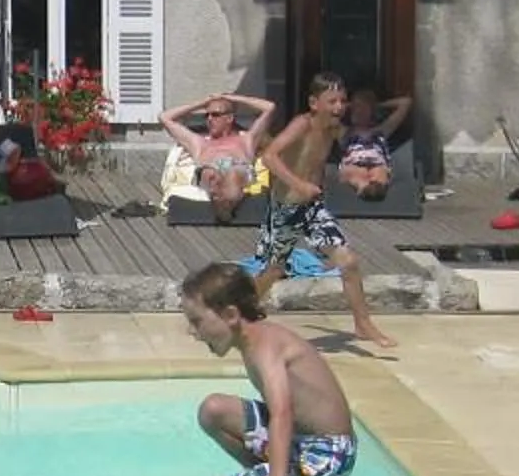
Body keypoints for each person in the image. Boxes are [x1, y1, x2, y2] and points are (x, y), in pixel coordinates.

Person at [179, 261, 361, 476]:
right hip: (303, 441)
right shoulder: (254, 339)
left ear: (229, 315)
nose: (192, 333)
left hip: (326, 456)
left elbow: (282, 413)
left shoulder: (265, 347)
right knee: (213, 410)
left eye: (196, 322)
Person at [251, 72, 397, 350]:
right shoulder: (301, 125)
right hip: (284, 209)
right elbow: (269, 157)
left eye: (342, 101)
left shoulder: (334, 129)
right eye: (332, 101)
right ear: (313, 102)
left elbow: (331, 158)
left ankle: (362, 324)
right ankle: (241, 313)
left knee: (348, 261)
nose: (339, 107)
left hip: (313, 209)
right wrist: (299, 184)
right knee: (273, 271)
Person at [162, 92, 273, 222]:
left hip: (237, 167)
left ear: (229, 118)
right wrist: (202, 103)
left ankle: (224, 206)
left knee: (233, 173)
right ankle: (223, 203)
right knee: (212, 174)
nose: (209, 119)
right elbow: (165, 117)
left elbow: (269, 107)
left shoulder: (246, 140)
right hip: (209, 168)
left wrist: (233, 98)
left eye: (215, 115)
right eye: (207, 115)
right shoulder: (199, 142)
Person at [333, 85, 411, 200]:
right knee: (353, 173)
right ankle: (363, 187)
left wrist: (378, 106)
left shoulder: (381, 131)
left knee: (380, 174)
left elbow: (405, 102)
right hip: (353, 165)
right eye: (356, 108)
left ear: (371, 112)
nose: (358, 111)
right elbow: (327, 114)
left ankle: (373, 189)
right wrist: (346, 106)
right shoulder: (344, 132)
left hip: (377, 166)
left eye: (363, 108)